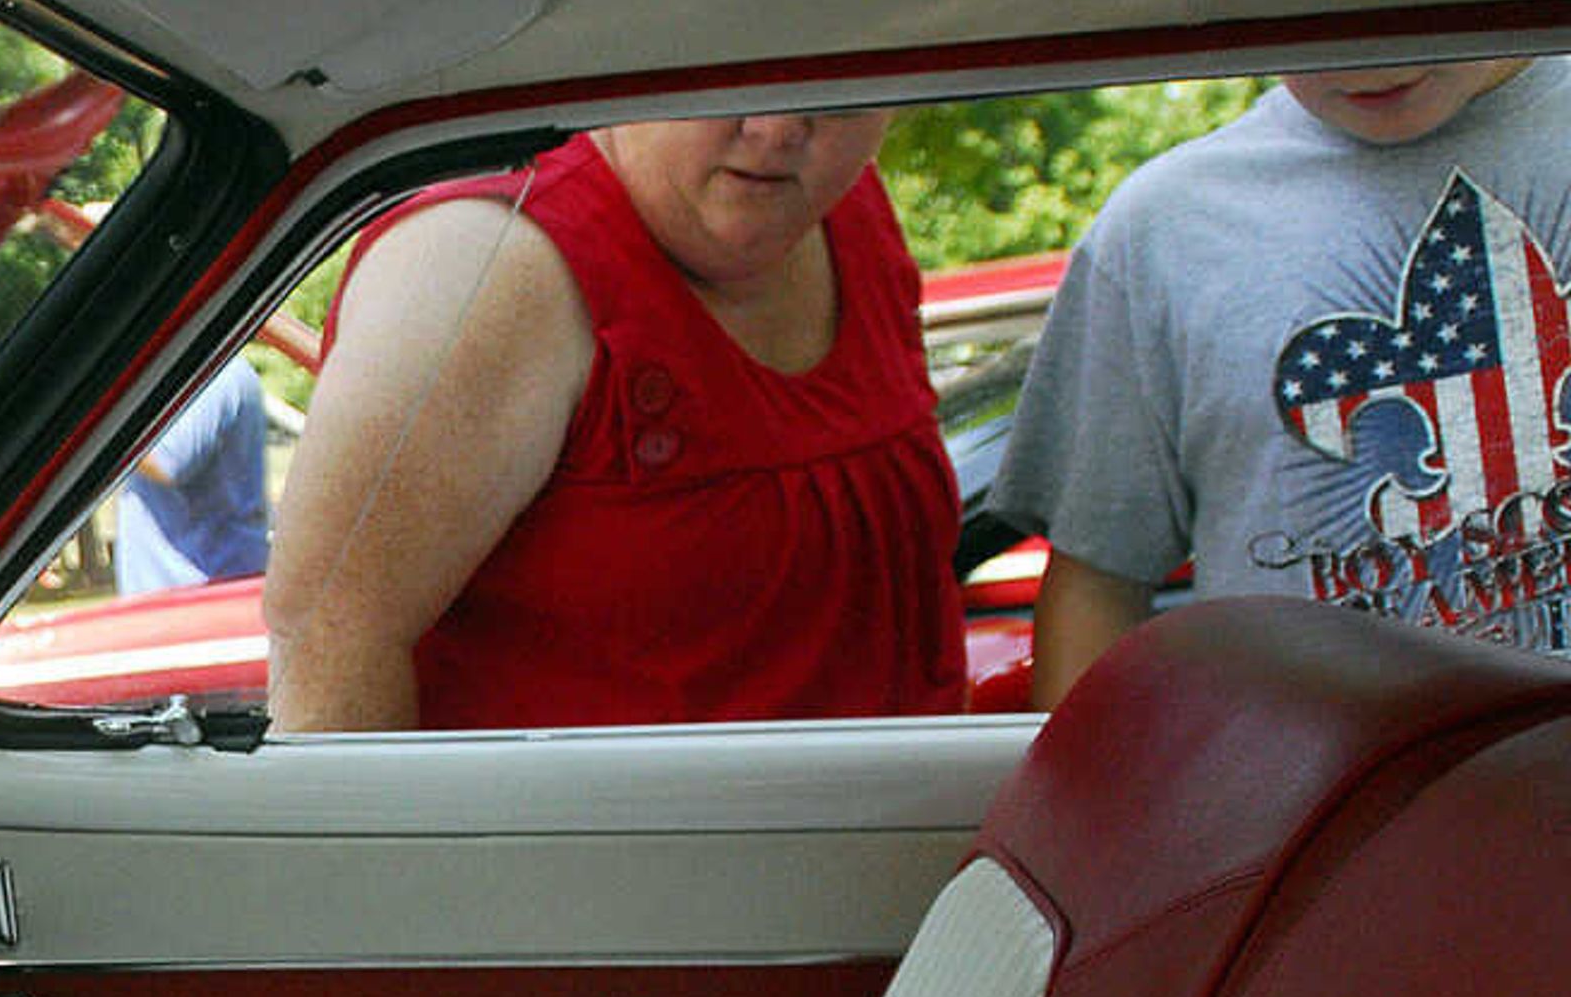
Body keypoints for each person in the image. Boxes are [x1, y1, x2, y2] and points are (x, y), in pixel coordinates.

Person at [259, 114, 963, 729]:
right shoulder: (487, 261)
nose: (778, 127)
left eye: (830, 82)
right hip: (587, 878)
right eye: (728, 67)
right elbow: (330, 642)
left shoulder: (851, 209)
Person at [1005, 59, 1571, 705]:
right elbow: (1096, 581)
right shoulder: (1163, 231)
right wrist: (1087, 803)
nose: (1374, 51)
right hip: (1333, 798)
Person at [112, 354, 272, 593]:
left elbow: (165, 461)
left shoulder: (214, 371)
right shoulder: (203, 369)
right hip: (183, 596)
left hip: (201, 597)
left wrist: (91, 418)